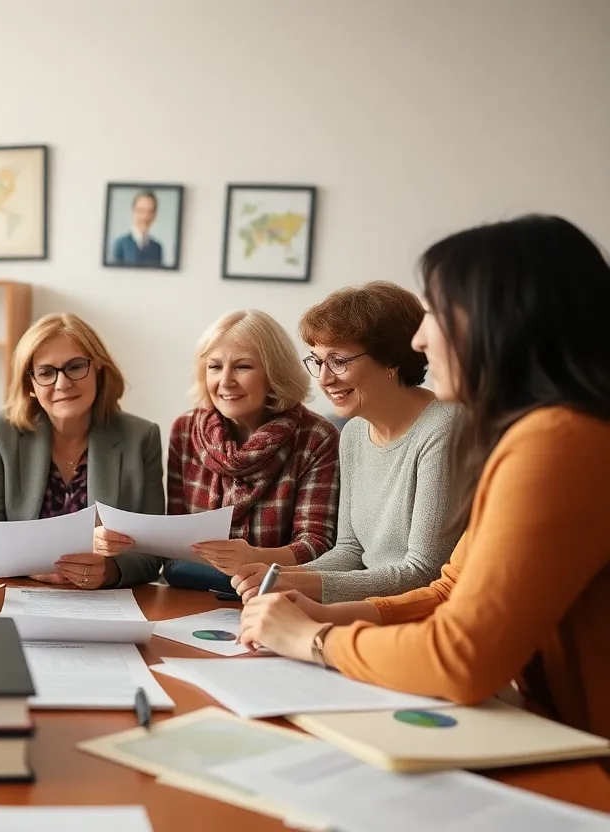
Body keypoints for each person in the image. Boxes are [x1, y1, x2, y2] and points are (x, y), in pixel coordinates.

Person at [239, 215, 610, 740]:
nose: (419, 340)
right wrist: (332, 613)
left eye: (435, 312)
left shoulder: (559, 441)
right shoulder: (532, 433)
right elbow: (450, 588)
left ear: (500, 321)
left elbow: (464, 656)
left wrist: (316, 639)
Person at [230, 282, 461, 603]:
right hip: (366, 610)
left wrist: (303, 585)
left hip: (417, 618)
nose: (324, 379)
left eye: (338, 360)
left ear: (391, 360)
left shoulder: (444, 427)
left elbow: (425, 571)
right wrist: (277, 577)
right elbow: (351, 551)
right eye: (317, 361)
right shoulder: (352, 433)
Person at [0, 313, 163, 588]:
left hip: (104, 604)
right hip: (23, 593)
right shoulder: (0, 430)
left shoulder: (141, 437)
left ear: (99, 370)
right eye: (45, 372)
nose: (62, 383)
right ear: (30, 385)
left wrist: (109, 571)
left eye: (75, 367)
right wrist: (33, 564)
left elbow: (152, 552)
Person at [163, 311, 340, 595]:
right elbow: (174, 540)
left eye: (243, 367)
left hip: (279, 596)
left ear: (274, 373)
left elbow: (317, 545)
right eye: (215, 367)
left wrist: (254, 557)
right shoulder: (185, 430)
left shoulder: (316, 438)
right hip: (192, 592)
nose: (225, 381)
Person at [111, 190, 164, 266]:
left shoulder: (157, 247)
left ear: (155, 215)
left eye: (150, 211)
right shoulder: (121, 244)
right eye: (140, 211)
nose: (145, 216)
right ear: (133, 212)